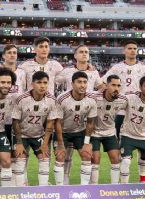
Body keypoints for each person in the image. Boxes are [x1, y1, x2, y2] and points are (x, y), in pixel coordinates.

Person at [102, 40, 145, 183]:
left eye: (135, 48)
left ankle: (142, 178)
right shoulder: (116, 67)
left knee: (142, 142)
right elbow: (104, 83)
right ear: (124, 51)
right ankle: (121, 179)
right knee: (121, 146)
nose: (133, 51)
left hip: (140, 111)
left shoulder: (144, 69)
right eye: (130, 48)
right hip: (121, 111)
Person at [55, 45, 104, 185]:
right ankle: (63, 183)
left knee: (87, 154)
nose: (84, 54)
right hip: (66, 115)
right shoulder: (67, 71)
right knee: (64, 155)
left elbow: (101, 88)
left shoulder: (94, 73)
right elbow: (53, 82)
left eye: (86, 52)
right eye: (81, 52)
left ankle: (87, 187)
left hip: (82, 118)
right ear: (75, 55)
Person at [18, 37, 63, 184]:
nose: (44, 49)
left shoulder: (56, 65)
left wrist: (88, 68)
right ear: (35, 49)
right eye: (41, 46)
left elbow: (69, 77)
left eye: (46, 46)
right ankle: (23, 181)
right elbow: (22, 85)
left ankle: (43, 182)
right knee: (23, 152)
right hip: (29, 110)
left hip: (48, 110)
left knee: (45, 147)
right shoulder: (25, 66)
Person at [12, 71, 63, 186]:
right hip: (22, 135)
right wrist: (19, 143)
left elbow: (50, 124)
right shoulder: (21, 99)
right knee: (20, 162)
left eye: (45, 83)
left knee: (45, 159)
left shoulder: (52, 100)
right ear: (32, 84)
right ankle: (21, 190)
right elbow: (15, 122)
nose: (42, 85)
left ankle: (43, 190)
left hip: (38, 135)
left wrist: (45, 144)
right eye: (39, 82)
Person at [0, 44, 27, 187]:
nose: (13, 55)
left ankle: (12, 185)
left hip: (17, 119)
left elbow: (24, 93)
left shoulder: (22, 73)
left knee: (15, 153)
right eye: (10, 53)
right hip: (1, 119)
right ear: (4, 55)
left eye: (15, 53)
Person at [55, 71, 97, 185]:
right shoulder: (62, 99)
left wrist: (87, 143)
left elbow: (90, 122)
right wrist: (60, 143)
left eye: (84, 82)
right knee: (60, 156)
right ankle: (61, 186)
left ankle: (85, 186)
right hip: (63, 131)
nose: (82, 85)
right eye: (79, 82)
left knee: (87, 155)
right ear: (72, 84)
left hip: (80, 131)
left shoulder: (92, 99)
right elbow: (58, 122)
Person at [90, 75, 128, 184]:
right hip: (94, 133)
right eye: (113, 85)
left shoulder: (123, 100)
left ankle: (114, 186)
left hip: (110, 132)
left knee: (116, 159)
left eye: (118, 86)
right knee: (95, 160)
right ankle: (93, 187)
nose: (116, 88)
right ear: (106, 85)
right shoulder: (93, 97)